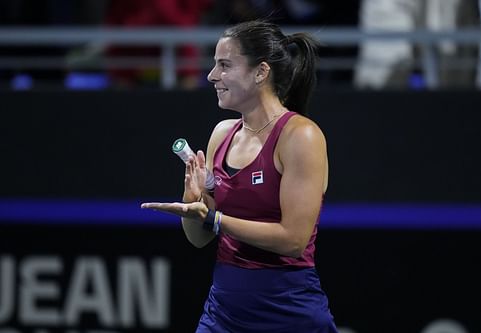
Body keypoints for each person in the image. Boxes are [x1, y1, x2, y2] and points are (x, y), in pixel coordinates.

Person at [141, 20, 337, 332]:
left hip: (289, 313)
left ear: (260, 72)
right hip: (223, 313)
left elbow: (293, 240)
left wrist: (214, 219)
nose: (211, 76)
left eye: (224, 65)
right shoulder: (222, 134)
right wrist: (192, 204)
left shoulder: (302, 136)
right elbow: (199, 239)